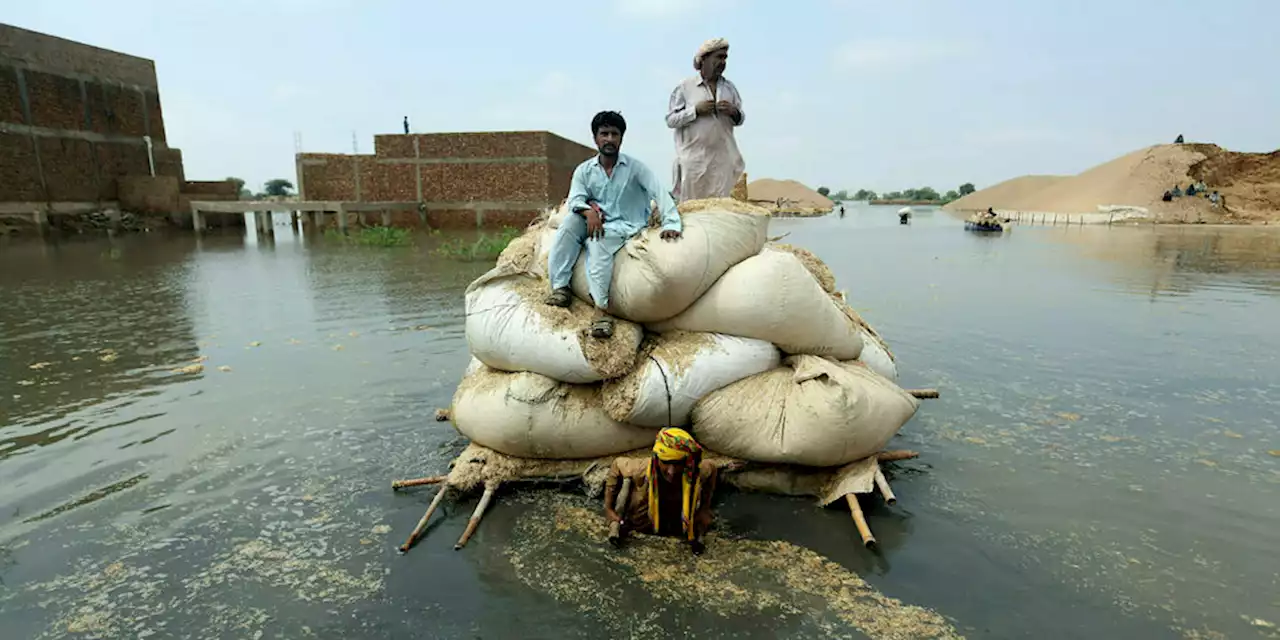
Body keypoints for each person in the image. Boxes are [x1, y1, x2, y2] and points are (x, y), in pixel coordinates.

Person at [545, 111, 681, 339]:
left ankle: (601, 311)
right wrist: (589, 212)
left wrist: (672, 223)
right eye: (604, 134)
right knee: (568, 224)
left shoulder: (635, 169)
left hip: (625, 226)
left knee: (597, 242)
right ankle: (560, 287)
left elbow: (659, 192)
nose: (609, 139)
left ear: (621, 138)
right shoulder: (584, 171)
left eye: (614, 134)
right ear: (596, 138)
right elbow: (576, 198)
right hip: (594, 220)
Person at [603, 428, 719, 555]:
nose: (671, 471)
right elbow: (617, 464)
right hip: (642, 524)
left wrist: (704, 509)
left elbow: (712, 468)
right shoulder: (640, 469)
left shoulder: (695, 472)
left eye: (677, 464)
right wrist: (609, 509)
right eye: (666, 463)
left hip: (677, 525)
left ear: (687, 462)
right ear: (657, 459)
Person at [667, 38, 745, 203]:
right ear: (704, 59)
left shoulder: (729, 88)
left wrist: (734, 112)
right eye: (719, 57)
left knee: (721, 207)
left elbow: (740, 118)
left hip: (723, 159)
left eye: (725, 58)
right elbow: (671, 120)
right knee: (692, 207)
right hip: (694, 160)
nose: (722, 62)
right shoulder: (685, 87)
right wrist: (695, 111)